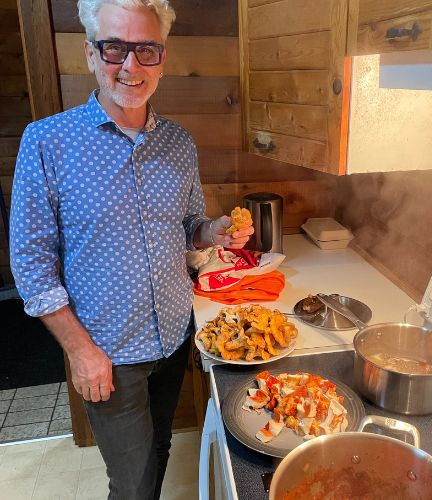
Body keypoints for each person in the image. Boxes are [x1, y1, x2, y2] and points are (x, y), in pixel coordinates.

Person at [9, 0, 253, 498]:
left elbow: (186, 228)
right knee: (134, 484)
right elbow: (31, 267)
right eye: (115, 47)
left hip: (174, 337)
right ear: (90, 54)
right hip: (108, 355)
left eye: (146, 50)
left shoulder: (179, 143)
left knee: (160, 447)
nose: (130, 66)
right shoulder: (47, 142)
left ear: (162, 59)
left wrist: (215, 231)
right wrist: (80, 352)